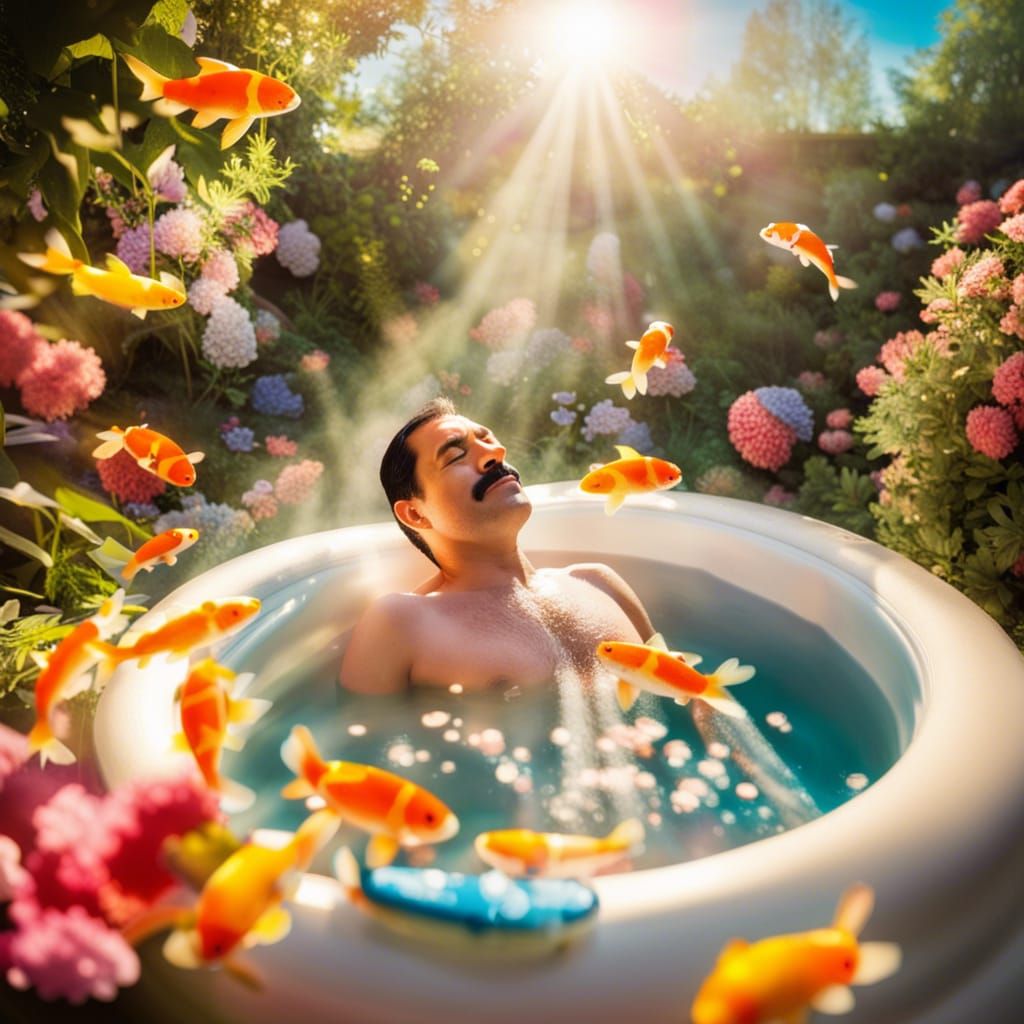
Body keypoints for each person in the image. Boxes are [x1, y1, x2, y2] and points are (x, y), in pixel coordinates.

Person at [339, 397, 656, 694]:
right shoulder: (400, 622)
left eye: (488, 440)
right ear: (416, 513)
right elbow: (362, 737)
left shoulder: (599, 582)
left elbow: (689, 694)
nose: (496, 452)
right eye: (455, 455)